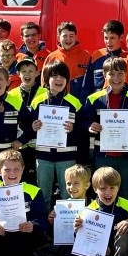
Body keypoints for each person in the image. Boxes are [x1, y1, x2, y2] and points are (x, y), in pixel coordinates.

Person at [30, 60, 85, 207]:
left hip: (67, 156)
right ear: (47, 79)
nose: (59, 79)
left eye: (62, 76)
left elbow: (83, 129)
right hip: (43, 157)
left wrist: (74, 129)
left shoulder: (75, 103)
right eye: (54, 76)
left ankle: (68, 228)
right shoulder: (38, 102)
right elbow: (27, 127)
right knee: (44, 195)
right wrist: (33, 127)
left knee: (68, 195)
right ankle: (44, 228)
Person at [87, 56, 128, 190]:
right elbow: (85, 121)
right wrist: (90, 126)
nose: (116, 78)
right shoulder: (93, 100)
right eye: (111, 74)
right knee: (103, 193)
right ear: (104, 75)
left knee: (126, 193)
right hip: (103, 156)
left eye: (120, 74)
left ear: (126, 74)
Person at [43, 21, 92, 96]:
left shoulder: (87, 57)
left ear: (76, 37)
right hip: (57, 103)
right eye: (65, 36)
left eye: (71, 36)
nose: (68, 39)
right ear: (58, 38)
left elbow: (91, 83)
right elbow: (44, 83)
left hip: (78, 103)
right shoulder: (51, 57)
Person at [83, 20, 127, 97]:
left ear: (121, 37)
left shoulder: (126, 58)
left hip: (121, 105)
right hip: (99, 104)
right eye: (106, 38)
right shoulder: (96, 56)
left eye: (112, 38)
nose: (108, 42)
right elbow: (87, 85)